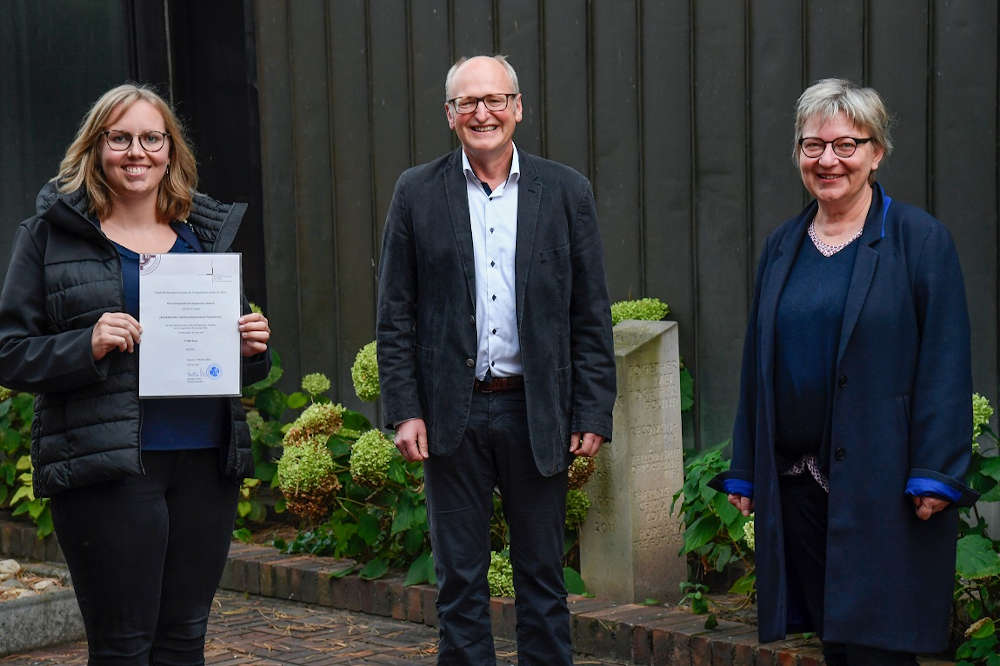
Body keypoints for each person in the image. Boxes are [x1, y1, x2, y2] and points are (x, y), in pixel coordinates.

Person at [0, 84, 271, 665]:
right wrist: (86, 343)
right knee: (124, 647)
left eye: (152, 138)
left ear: (171, 151)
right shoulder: (49, 235)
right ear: (96, 148)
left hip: (205, 463)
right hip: (111, 469)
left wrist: (250, 349)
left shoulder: (203, 236)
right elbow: (10, 352)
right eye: (119, 138)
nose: (136, 152)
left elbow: (227, 365)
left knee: (183, 642)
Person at [710, 78, 978, 664]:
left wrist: (936, 471)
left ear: (876, 152)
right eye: (813, 146)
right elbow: (760, 359)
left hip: (885, 485)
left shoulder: (919, 241)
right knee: (834, 640)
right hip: (800, 486)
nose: (828, 160)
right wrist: (746, 468)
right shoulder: (784, 244)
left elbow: (946, 361)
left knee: (881, 645)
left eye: (846, 145)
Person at [376, 54, 616, 664]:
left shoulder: (565, 191)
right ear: (449, 115)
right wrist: (404, 408)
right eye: (468, 103)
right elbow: (395, 315)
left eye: (495, 100)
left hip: (535, 413)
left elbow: (590, 313)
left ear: (518, 108)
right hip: (450, 418)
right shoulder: (415, 192)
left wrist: (592, 408)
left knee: (542, 579)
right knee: (459, 581)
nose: (483, 113)